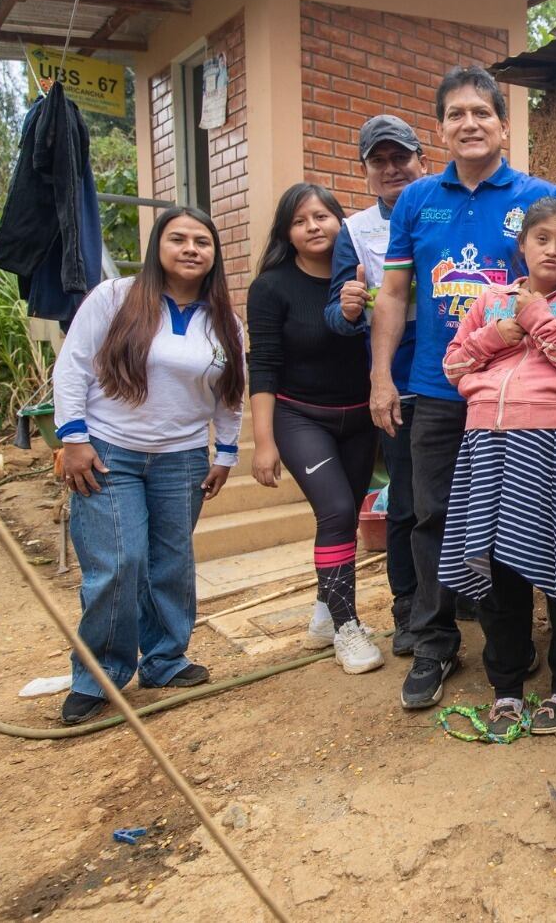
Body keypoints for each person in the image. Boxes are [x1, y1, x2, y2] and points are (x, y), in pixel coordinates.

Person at [368, 64, 556, 709]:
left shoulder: (539, 196)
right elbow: (393, 294)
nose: (469, 124)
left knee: (524, 534)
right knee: (431, 520)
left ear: (504, 124)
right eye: (456, 115)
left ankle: (533, 656)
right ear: (441, 129)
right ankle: (434, 645)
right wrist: (380, 378)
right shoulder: (417, 199)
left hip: (538, 412)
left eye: (482, 113)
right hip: (440, 388)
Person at [53, 206, 245, 725]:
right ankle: (98, 677)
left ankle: (164, 659)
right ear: (158, 245)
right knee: (119, 562)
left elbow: (230, 395)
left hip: (182, 460)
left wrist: (226, 453)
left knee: (172, 564)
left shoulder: (225, 321)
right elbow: (71, 366)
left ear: (214, 255)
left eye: (201, 242)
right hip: (108, 453)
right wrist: (72, 437)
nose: (190, 249)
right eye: (178, 239)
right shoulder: (115, 298)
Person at [439, 197, 556, 736]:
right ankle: (507, 688)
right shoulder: (492, 298)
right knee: (500, 571)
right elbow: (452, 366)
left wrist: (537, 319)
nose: (553, 250)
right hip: (490, 446)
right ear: (522, 245)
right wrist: (497, 335)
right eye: (542, 239)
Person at [247, 183, 382, 674]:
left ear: (338, 222)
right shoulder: (271, 287)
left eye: (323, 216)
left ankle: (325, 615)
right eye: (301, 220)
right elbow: (262, 365)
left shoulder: (361, 274)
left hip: (361, 415)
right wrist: (264, 443)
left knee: (344, 518)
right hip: (299, 414)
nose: (314, 226)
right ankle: (348, 628)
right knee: (338, 510)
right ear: (288, 231)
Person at [325, 115, 427, 655]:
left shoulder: (440, 206)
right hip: (399, 382)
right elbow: (337, 316)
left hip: (457, 375)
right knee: (407, 500)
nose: (391, 168)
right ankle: (408, 606)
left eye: (399, 158)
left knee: (465, 494)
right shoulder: (356, 231)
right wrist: (344, 310)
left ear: (421, 161)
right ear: (366, 171)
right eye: (378, 161)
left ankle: (462, 594)